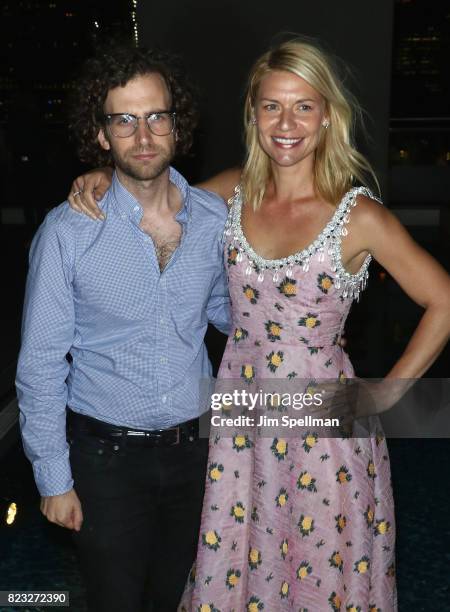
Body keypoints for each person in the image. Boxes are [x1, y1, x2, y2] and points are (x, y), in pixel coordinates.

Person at [67, 39, 450, 611]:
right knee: (238, 567)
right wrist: (101, 174)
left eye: (303, 105)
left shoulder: (359, 216)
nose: (287, 122)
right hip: (238, 418)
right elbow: (146, 197)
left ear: (327, 116)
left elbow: (443, 301)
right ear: (253, 113)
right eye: (272, 105)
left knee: (320, 571)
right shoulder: (227, 193)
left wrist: (385, 394)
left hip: (323, 424)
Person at [15, 46, 230, 612]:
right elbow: (40, 365)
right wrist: (53, 478)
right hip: (104, 461)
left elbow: (230, 315)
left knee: (176, 597)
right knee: (114, 601)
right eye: (124, 120)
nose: (143, 135)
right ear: (102, 134)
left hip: (196, 453)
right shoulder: (68, 233)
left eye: (157, 116)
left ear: (177, 125)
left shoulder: (213, 221)